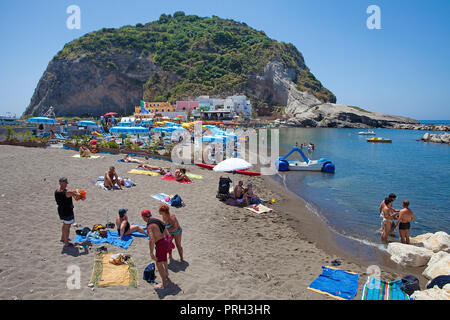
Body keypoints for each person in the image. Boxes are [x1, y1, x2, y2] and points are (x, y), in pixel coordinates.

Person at [141, 209, 171, 289]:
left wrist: (151, 253)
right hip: (168, 238)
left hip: (162, 243)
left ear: (144, 217)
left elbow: (151, 240)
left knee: (158, 263)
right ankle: (166, 273)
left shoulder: (150, 226)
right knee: (164, 257)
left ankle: (164, 283)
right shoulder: (157, 219)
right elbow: (164, 226)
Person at [54, 177, 81, 247]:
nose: (67, 184)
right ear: (62, 183)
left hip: (60, 210)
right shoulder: (67, 192)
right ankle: (66, 243)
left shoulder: (57, 191)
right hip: (67, 211)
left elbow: (70, 193)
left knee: (64, 224)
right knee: (67, 227)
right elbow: (78, 195)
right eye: (66, 182)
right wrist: (77, 192)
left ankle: (63, 238)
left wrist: (73, 192)